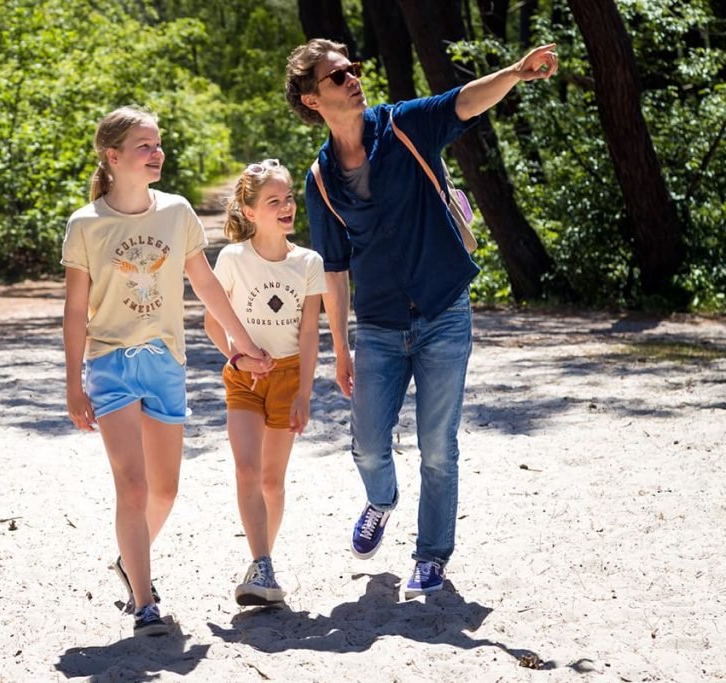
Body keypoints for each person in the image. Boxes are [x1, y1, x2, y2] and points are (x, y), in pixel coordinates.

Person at [284, 40, 558, 598]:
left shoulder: (405, 126)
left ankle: (432, 555)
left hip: (443, 312)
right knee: (366, 445)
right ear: (313, 99)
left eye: (354, 69)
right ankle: (381, 501)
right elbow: (334, 271)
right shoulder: (319, 180)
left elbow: (464, 101)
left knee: (438, 445)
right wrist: (341, 350)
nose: (353, 79)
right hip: (380, 327)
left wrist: (515, 72)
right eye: (338, 77)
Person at [62, 106, 271, 636]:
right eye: (144, 146)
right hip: (109, 364)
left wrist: (240, 346)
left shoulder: (176, 212)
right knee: (131, 487)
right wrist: (72, 386)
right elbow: (73, 310)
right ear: (112, 157)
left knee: (165, 491)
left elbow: (205, 285)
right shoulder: (86, 224)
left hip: (166, 365)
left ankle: (129, 561)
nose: (157, 154)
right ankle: (143, 601)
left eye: (158, 144)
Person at [204, 159, 325, 606]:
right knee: (246, 469)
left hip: (290, 378)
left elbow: (311, 333)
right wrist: (239, 356)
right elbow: (212, 325)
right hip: (243, 378)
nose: (287, 206)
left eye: (289, 197)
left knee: (273, 482)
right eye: (274, 200)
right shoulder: (233, 259)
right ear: (250, 211)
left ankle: (263, 562)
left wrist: (306, 393)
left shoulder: (309, 262)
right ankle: (262, 564)